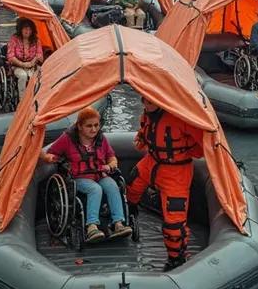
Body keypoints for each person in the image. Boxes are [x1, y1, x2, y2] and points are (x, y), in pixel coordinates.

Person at [127, 96, 204, 271]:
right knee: (131, 185)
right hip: (151, 162)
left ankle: (176, 259)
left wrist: (182, 152)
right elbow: (145, 132)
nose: (146, 104)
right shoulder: (148, 114)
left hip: (176, 171)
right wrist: (141, 139)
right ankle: (131, 216)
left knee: (174, 225)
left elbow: (203, 146)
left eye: (150, 101)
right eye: (144, 101)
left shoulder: (182, 117)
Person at [41, 107, 133, 243]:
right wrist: (45, 156)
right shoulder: (67, 139)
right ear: (79, 126)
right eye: (89, 126)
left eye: (96, 125)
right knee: (95, 189)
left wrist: (110, 166)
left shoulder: (101, 139)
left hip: (99, 174)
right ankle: (91, 227)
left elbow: (112, 158)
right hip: (79, 178)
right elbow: (51, 154)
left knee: (113, 185)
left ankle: (118, 223)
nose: (94, 129)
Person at [7, 17, 43, 99]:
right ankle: (22, 99)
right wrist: (23, 64)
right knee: (23, 76)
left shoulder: (36, 40)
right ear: (21, 29)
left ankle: (36, 97)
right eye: (26, 29)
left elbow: (39, 55)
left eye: (30, 29)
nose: (28, 32)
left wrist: (31, 63)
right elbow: (11, 56)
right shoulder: (14, 40)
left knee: (35, 75)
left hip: (32, 65)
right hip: (17, 66)